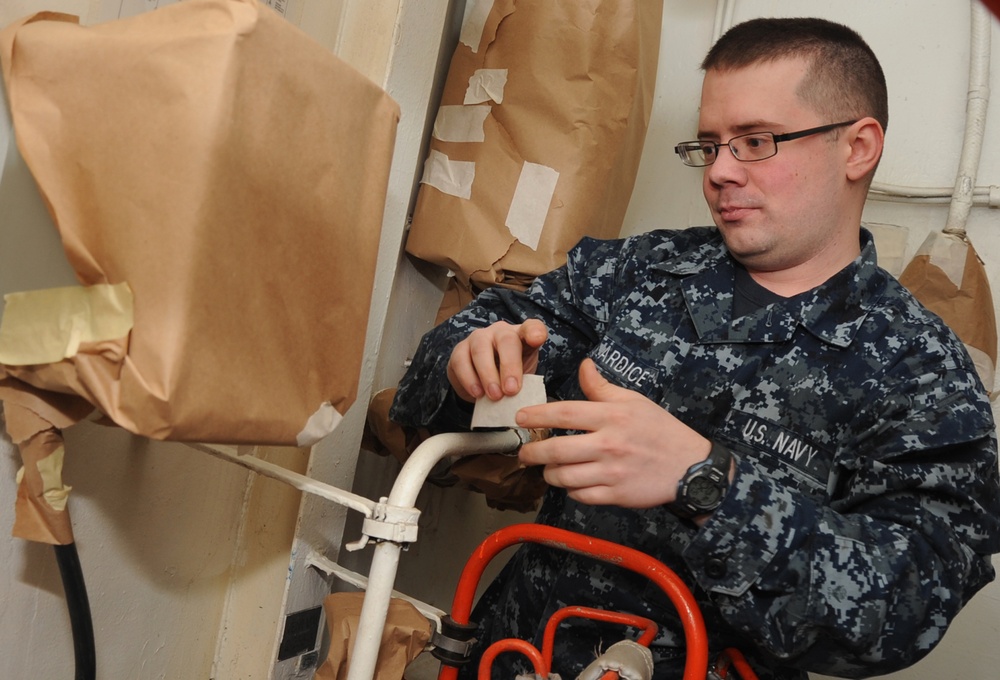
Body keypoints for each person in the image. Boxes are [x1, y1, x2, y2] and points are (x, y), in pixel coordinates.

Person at [390, 16, 1000, 680]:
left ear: (857, 147)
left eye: (756, 141)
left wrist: (708, 482)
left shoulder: (920, 371)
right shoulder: (632, 273)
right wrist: (468, 363)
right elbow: (440, 364)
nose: (720, 173)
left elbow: (903, 609)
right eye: (709, 145)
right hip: (517, 655)